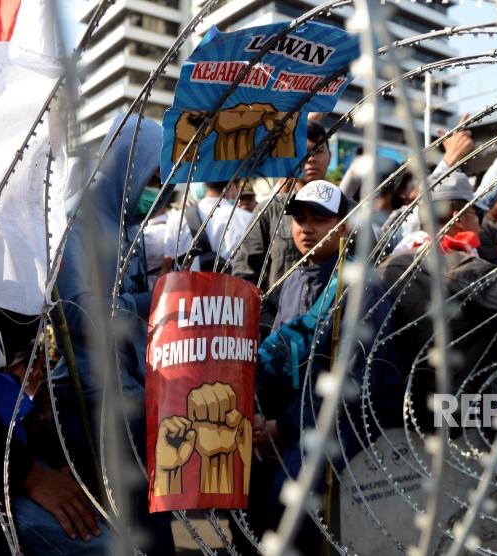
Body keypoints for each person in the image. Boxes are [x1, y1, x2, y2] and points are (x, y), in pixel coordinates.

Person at [241, 180, 401, 554]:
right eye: (299, 219)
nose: (306, 228)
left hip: (349, 418)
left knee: (290, 495)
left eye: (319, 219)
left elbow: (352, 380)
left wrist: (284, 427)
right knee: (238, 485)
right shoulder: (296, 278)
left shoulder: (359, 288)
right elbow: (278, 358)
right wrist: (264, 419)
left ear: (343, 227)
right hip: (298, 415)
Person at [51, 114, 174, 554]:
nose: (155, 191)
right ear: (128, 165)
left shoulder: (129, 230)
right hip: (90, 400)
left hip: (134, 392)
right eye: (152, 177)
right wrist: (150, 303)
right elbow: (78, 315)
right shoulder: (77, 222)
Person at [379, 173, 497, 429]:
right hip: (451, 408)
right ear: (458, 218)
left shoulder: (392, 264)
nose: (479, 221)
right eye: (474, 213)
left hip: (397, 405)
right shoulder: (466, 268)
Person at [0, 302, 109, 555]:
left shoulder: (19, 291)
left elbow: (12, 401)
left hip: (6, 451)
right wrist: (32, 474)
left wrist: (49, 461)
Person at [232, 121, 331, 328]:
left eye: (319, 150)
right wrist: (267, 325)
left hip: (332, 334)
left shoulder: (350, 211)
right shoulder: (270, 210)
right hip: (277, 332)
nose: (311, 159)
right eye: (304, 152)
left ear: (329, 156)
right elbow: (245, 275)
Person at [160, 180, 252, 273]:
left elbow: (168, 263)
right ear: (233, 186)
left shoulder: (177, 219)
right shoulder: (247, 218)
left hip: (187, 285)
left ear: (204, 184)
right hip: (234, 286)